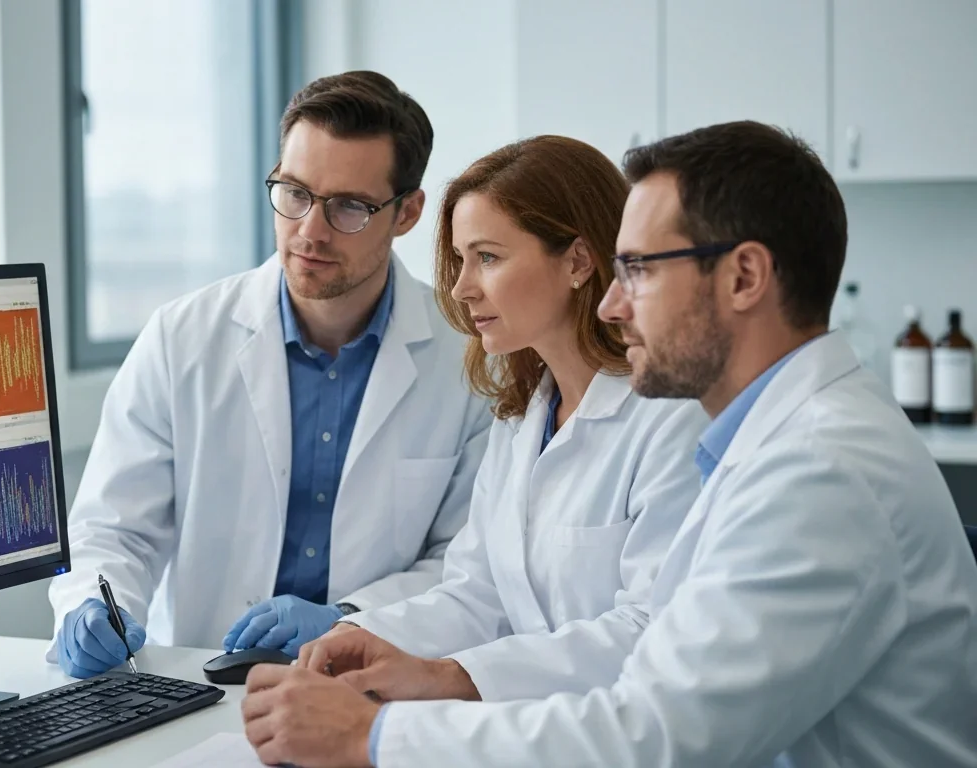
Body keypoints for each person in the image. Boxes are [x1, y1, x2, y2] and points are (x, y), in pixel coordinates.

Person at [240, 121, 977, 768]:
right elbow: (508, 602)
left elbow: (658, 732)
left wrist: (375, 738)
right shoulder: (770, 444)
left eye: (639, 271)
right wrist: (403, 658)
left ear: (745, 276)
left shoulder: (819, 472)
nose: (616, 304)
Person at [45, 71, 493, 678]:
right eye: (295, 193)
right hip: (203, 681)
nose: (309, 229)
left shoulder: (470, 359)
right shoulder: (182, 338)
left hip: (372, 688)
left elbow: (467, 563)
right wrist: (95, 609)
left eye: (349, 208)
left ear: (407, 212)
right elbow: (114, 528)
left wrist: (350, 618)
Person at [299, 135, 707, 706]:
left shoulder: (670, 418)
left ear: (578, 261)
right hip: (535, 734)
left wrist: (453, 678)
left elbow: (652, 626)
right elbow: (478, 593)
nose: (463, 289)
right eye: (461, 260)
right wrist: (358, 635)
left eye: (487, 257)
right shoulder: (521, 420)